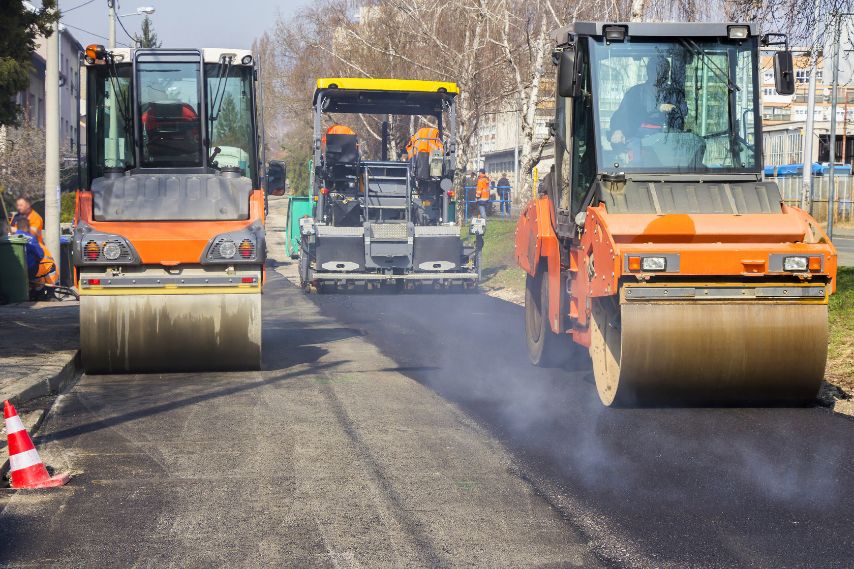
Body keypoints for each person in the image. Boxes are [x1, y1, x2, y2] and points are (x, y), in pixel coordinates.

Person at [609, 57, 686, 146]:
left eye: (665, 71)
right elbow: (621, 115)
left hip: (669, 142)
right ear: (649, 71)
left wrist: (676, 109)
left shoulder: (675, 93)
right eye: (658, 70)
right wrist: (618, 130)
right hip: (641, 141)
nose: (662, 74)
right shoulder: (635, 93)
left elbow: (682, 113)